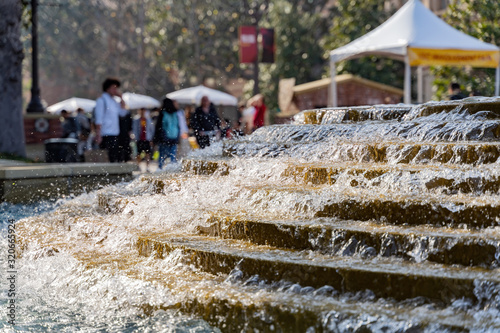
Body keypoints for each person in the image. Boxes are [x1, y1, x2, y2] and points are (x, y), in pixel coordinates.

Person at [94, 77, 129, 163]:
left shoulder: (114, 101)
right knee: (107, 159)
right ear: (108, 88)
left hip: (115, 133)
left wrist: (121, 98)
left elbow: (123, 113)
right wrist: (98, 134)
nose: (115, 90)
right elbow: (99, 118)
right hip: (105, 134)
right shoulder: (101, 100)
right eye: (114, 88)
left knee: (115, 158)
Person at [153, 98, 181, 169]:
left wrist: (156, 138)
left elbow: (158, 126)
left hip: (164, 138)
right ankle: (173, 170)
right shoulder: (175, 113)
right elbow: (178, 126)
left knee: (162, 156)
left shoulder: (162, 113)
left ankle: (160, 169)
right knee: (173, 156)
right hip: (174, 137)